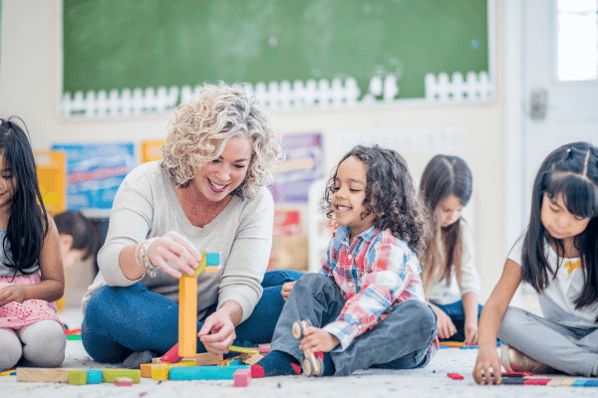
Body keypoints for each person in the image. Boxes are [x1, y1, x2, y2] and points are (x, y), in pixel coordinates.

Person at [80, 83, 302, 368]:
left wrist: (227, 315)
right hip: (135, 310)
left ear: (253, 160)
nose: (224, 176)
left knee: (300, 287)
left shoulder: (255, 199)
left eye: (238, 164)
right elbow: (110, 265)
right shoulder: (145, 181)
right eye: (214, 159)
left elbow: (242, 281)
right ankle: (226, 348)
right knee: (104, 305)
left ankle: (194, 343)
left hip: (210, 310)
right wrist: (146, 252)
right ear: (192, 148)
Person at [252, 145, 438, 377]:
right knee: (310, 283)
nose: (339, 194)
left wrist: (334, 335)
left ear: (382, 200)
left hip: (396, 346)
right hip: (352, 331)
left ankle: (334, 360)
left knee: (423, 316)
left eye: (353, 189)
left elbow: (374, 298)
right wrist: (303, 291)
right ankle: (288, 355)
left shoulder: (389, 245)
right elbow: (325, 283)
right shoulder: (340, 238)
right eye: (337, 186)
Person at [473, 142, 598, 385]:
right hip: (554, 333)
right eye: (554, 209)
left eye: (577, 216)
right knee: (507, 320)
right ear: (540, 197)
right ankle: (590, 364)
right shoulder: (529, 244)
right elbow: (495, 306)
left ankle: (551, 361)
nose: (562, 223)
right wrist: (485, 349)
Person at [0, 117, 66, 370]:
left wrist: (23, 293)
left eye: (7, 175)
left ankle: (23, 348)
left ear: (23, 171)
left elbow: (56, 285)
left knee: (49, 346)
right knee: (4, 352)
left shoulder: (39, 221)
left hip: (31, 306)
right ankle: (14, 348)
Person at [419, 155, 482, 345]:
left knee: (496, 322)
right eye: (446, 209)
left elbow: (468, 277)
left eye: (459, 210)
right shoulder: (411, 228)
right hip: (419, 305)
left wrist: (471, 323)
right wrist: (432, 311)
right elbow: (403, 288)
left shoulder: (461, 229)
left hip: (451, 306)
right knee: (413, 321)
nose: (452, 217)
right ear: (429, 199)